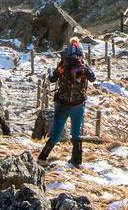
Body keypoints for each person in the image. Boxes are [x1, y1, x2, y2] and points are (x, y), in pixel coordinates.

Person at [38, 36, 97, 167]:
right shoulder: (83, 65)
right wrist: (84, 68)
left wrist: (60, 71)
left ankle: (42, 158)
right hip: (78, 104)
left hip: (62, 104)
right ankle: (77, 162)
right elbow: (93, 78)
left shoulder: (63, 64)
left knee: (56, 135)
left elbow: (52, 79)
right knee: (76, 135)